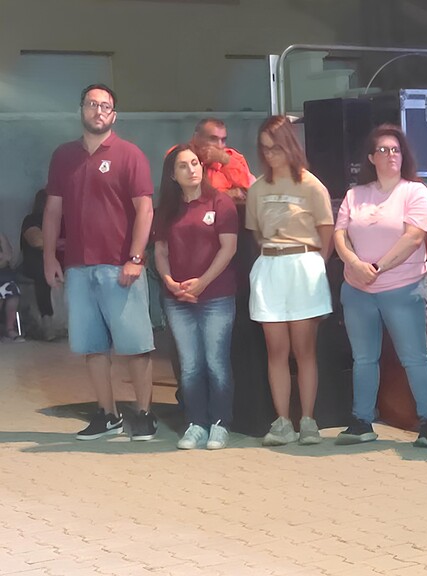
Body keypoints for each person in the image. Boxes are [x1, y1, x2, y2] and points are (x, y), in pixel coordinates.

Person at [44, 83, 157, 441]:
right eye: (92, 104)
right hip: (78, 268)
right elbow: (53, 210)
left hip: (121, 267)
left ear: (114, 115)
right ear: (81, 109)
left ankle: (144, 415)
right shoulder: (63, 156)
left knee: (136, 346)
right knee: (92, 347)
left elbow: (145, 210)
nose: (98, 111)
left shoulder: (129, 154)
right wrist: (49, 256)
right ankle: (108, 416)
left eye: (105, 106)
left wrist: (135, 258)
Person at [333, 125, 427, 447]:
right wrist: (355, 264)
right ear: (371, 158)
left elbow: (414, 238)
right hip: (357, 289)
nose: (390, 155)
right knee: (363, 358)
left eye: (395, 150)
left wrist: (377, 268)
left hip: (403, 287)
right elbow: (339, 235)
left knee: (414, 357)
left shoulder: (414, 192)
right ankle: (361, 421)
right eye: (383, 150)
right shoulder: (355, 195)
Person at [246, 115, 334, 447]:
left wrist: (315, 265)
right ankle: (282, 421)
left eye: (277, 148)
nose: (271, 155)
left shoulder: (312, 185)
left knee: (304, 349)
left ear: (290, 146)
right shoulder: (257, 188)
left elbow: (327, 233)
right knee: (276, 350)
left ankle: (308, 420)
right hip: (270, 266)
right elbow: (256, 234)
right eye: (265, 149)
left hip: (304, 265)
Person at [153, 145, 239, 450]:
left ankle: (220, 423)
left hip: (216, 296)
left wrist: (202, 283)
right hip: (178, 299)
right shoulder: (166, 209)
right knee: (190, 365)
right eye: (183, 166)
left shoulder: (220, 202)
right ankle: (195, 423)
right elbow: (160, 251)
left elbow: (228, 248)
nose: (192, 169)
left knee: (216, 362)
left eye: (195, 163)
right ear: (172, 175)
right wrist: (169, 282)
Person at [21, 189, 59, 340]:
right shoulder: (31, 220)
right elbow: (37, 241)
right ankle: (47, 321)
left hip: (61, 263)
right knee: (42, 271)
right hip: (35, 265)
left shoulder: (64, 221)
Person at [190, 118, 255, 202]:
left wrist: (225, 159)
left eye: (223, 140)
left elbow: (251, 190)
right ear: (196, 138)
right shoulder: (180, 156)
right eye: (213, 139)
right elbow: (183, 194)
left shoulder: (234, 157)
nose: (219, 146)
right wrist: (225, 194)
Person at [0, 233, 23, 342]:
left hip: (5, 276)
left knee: (13, 296)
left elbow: (8, 257)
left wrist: (1, 238)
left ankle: (10, 329)